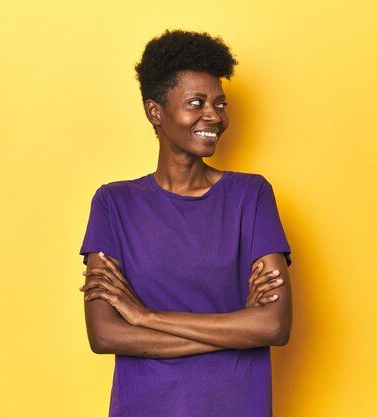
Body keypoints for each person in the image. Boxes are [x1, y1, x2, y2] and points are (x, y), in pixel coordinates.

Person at [78, 30, 292, 417]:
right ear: (155, 112)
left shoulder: (251, 196)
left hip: (235, 405)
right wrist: (237, 330)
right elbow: (104, 333)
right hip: (145, 406)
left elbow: (273, 326)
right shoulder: (114, 203)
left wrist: (146, 317)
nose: (214, 116)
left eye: (219, 103)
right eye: (197, 103)